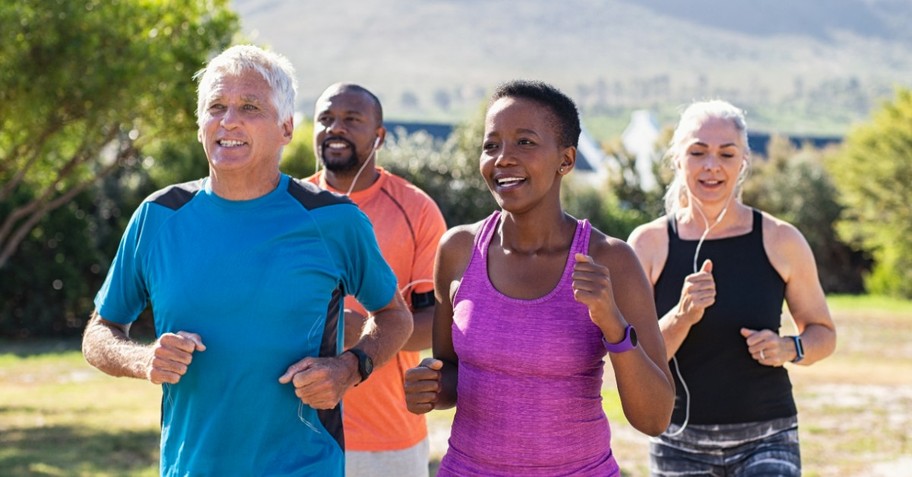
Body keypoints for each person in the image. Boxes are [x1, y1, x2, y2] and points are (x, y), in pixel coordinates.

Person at [81, 45, 413, 477]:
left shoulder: (334, 220)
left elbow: (394, 317)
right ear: (201, 126)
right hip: (189, 468)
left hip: (305, 467)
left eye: (249, 107)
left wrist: (349, 368)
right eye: (216, 106)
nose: (229, 120)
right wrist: (143, 361)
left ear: (287, 128)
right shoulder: (158, 216)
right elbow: (98, 333)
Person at [404, 80, 675, 476]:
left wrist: (613, 324)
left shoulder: (610, 261)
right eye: (491, 145)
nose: (503, 158)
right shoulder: (458, 250)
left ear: (565, 160)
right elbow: (451, 374)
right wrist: (429, 388)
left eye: (525, 143)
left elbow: (654, 418)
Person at [627, 100, 837, 476]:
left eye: (726, 153)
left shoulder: (781, 239)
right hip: (677, 442)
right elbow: (635, 357)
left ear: (742, 162)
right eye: (697, 152)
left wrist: (790, 347)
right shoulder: (648, 244)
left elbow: (823, 333)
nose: (712, 166)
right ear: (677, 159)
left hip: (769, 437)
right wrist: (682, 316)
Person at [307, 83, 447, 477]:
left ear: (379, 135)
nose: (337, 128)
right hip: (296, 433)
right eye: (326, 119)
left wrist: (359, 331)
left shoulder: (417, 209)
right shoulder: (286, 207)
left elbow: (437, 323)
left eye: (352, 120)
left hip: (387, 439)